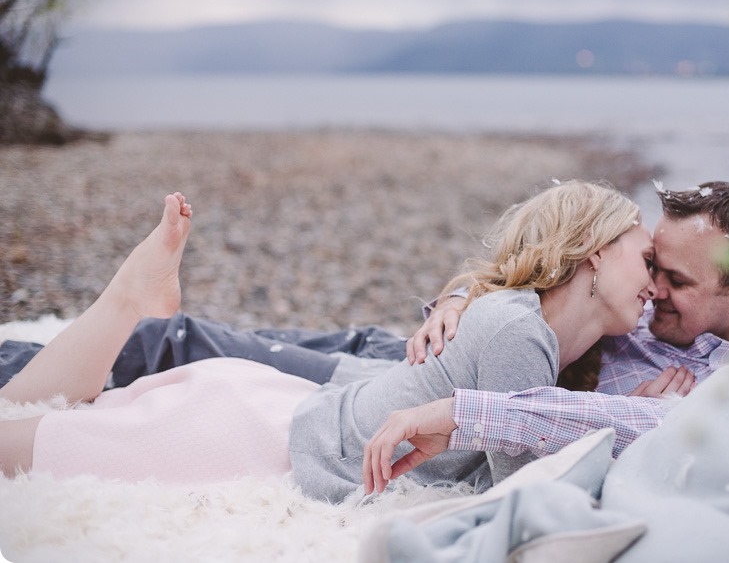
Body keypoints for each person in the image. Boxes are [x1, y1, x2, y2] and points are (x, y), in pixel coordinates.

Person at [0, 180, 658, 503]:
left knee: (38, 426)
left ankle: (126, 304)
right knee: (18, 450)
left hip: (271, 411)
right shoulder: (521, 332)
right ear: (594, 254)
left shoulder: (524, 323)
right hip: (253, 435)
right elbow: (525, 494)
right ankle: (128, 298)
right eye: (645, 260)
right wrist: (642, 425)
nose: (655, 284)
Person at [362, 180, 729, 493]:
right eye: (652, 265)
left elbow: (650, 423)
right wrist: (460, 300)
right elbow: (548, 270)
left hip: (470, 417)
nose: (655, 289)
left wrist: (466, 414)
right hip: (441, 372)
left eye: (677, 280)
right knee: (360, 347)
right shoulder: (643, 312)